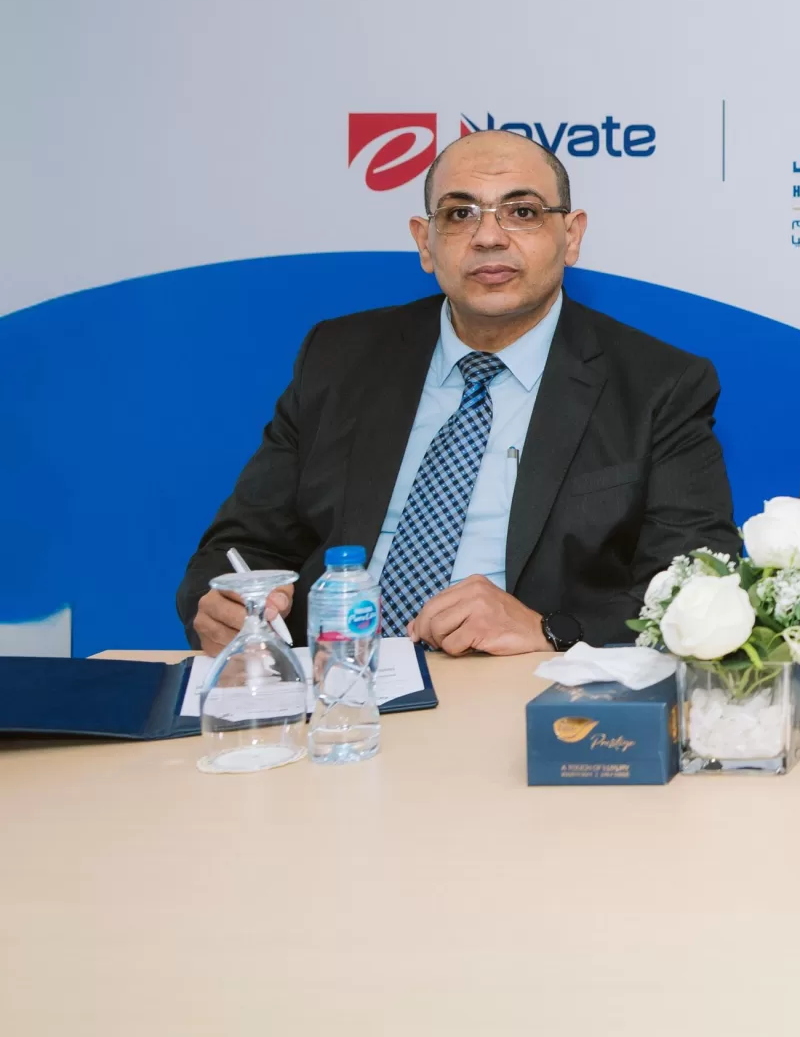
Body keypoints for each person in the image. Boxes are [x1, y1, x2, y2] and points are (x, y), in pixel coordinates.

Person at [177, 130, 737, 656]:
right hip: (339, 682)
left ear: (571, 237)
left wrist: (549, 629)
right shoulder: (338, 358)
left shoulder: (658, 384)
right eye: (459, 214)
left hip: (523, 690)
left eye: (522, 212)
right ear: (425, 243)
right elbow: (241, 546)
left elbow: (696, 586)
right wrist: (223, 602)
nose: (488, 237)